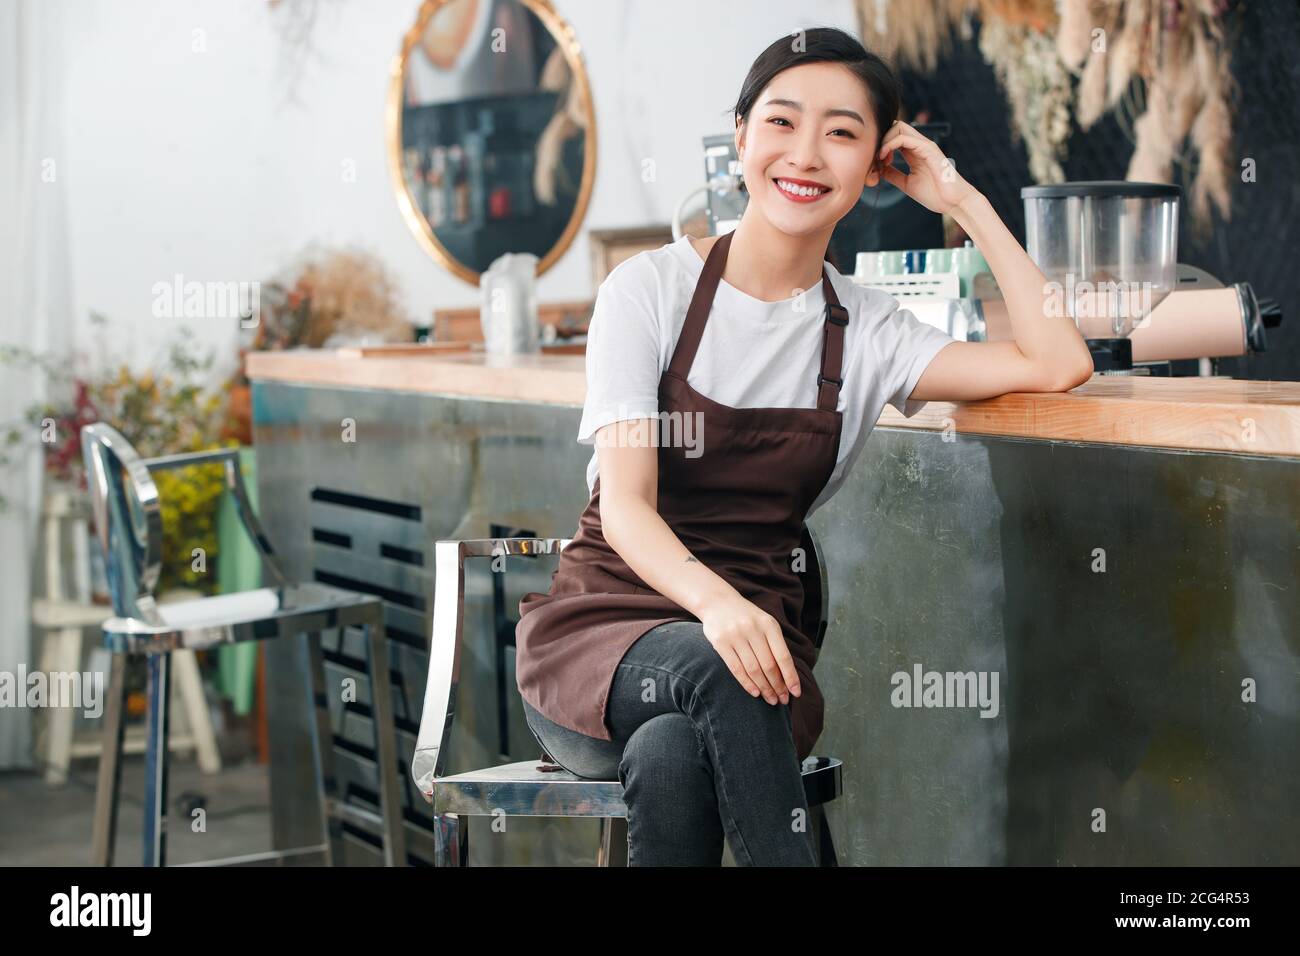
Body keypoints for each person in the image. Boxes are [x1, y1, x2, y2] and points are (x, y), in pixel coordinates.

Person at [515, 26, 1093, 866]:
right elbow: (629, 510)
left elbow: (1060, 360)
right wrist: (716, 608)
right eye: (782, 122)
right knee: (713, 674)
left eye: (843, 132)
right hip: (608, 640)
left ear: (874, 169)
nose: (807, 153)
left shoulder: (868, 330)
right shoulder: (649, 290)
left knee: (671, 758)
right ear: (742, 136)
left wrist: (962, 198)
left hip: (758, 659)